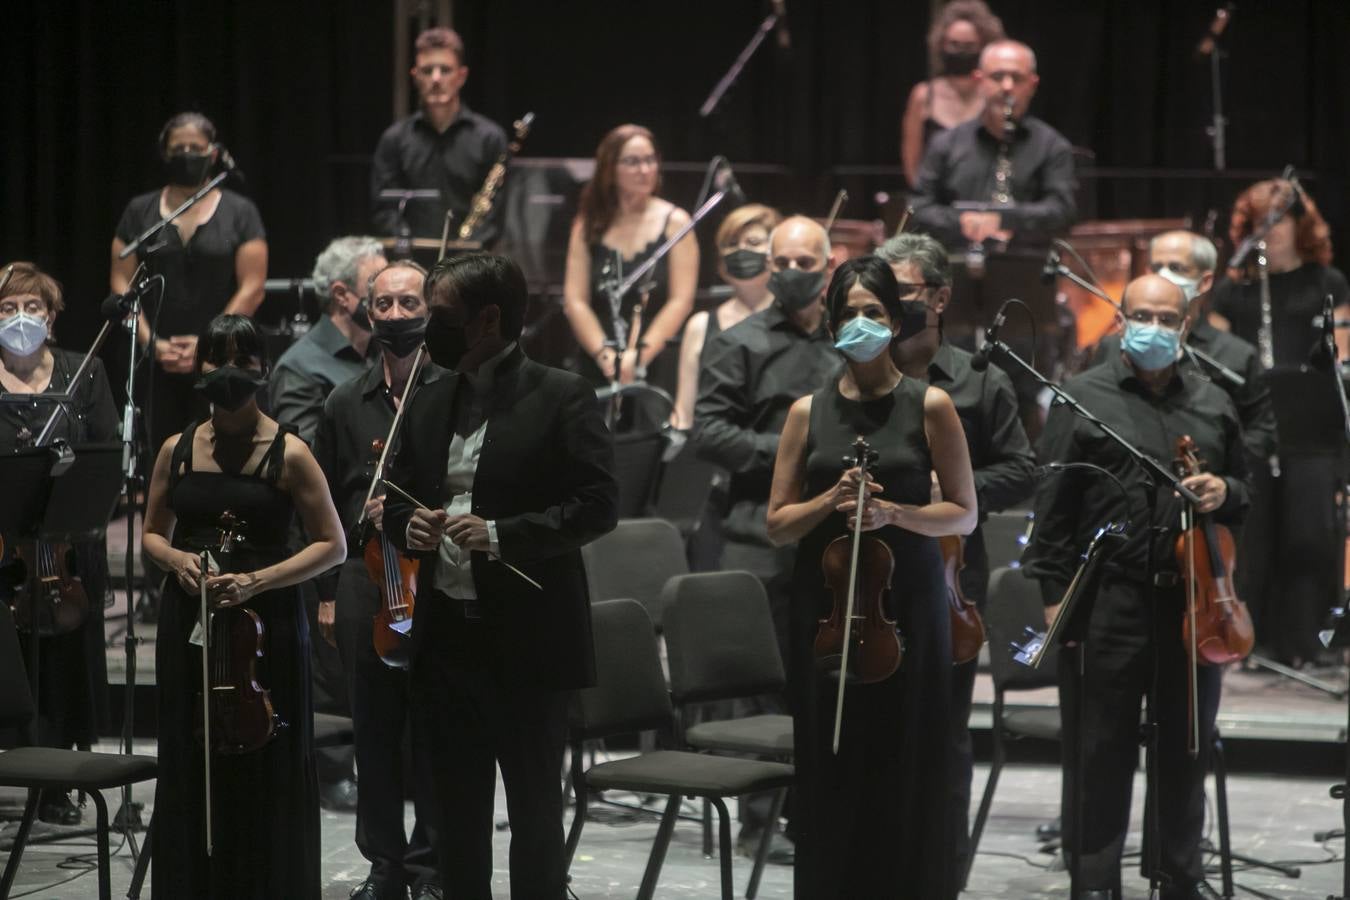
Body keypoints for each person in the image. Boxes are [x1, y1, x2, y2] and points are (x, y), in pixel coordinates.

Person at [383, 253, 617, 899]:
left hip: (529, 643)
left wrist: (501, 535)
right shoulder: (429, 399)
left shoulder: (562, 394)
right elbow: (396, 495)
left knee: (536, 817)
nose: (430, 328)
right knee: (453, 820)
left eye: (441, 316)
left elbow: (598, 507)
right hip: (447, 642)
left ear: (488, 319)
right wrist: (409, 526)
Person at [1023, 274, 1249, 900]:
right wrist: (1055, 610)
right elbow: (1053, 516)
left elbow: (1246, 493)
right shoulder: (1083, 397)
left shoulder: (1212, 403)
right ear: (1121, 320)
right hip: (1110, 601)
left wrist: (1223, 490)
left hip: (1192, 604)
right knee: (1101, 754)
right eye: (1141, 314)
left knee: (1185, 750)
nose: (1153, 326)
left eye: (1166, 317)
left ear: (1187, 322)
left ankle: (1178, 877)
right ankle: (1095, 885)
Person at [766, 255, 977, 898]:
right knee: (831, 765)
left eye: (873, 312)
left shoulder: (931, 404)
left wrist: (895, 512)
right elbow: (778, 523)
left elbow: (963, 515)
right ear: (832, 324)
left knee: (904, 760)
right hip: (827, 608)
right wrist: (831, 500)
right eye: (848, 313)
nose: (860, 323)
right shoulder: (807, 412)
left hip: (907, 604)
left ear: (895, 320)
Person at [141, 314, 345, 898]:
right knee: (193, 751)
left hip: (267, 623)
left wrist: (258, 580)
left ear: (261, 369)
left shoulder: (291, 452)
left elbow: (333, 545)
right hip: (192, 617)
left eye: (242, 360)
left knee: (266, 758)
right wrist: (177, 560)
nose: (227, 372)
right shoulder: (177, 449)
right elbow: (154, 532)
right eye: (216, 359)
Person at [876, 232, 1036, 882]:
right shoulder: (860, 379)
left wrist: (959, 492)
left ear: (940, 297)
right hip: (863, 581)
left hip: (948, 583)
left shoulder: (979, 381)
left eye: (903, 292)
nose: (887, 306)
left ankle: (942, 873)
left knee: (942, 737)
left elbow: (1024, 471)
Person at [692, 215, 841, 855]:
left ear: (829, 267)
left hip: (834, 533)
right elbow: (710, 432)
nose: (792, 272)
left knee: (825, 678)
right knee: (763, 682)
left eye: (807, 263)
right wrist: (789, 451)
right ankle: (756, 824)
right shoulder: (739, 341)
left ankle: (816, 815)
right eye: (783, 261)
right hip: (760, 533)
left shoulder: (851, 341)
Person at [312, 260, 445, 900]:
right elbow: (322, 510)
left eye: (408, 303)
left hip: (437, 581)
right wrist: (328, 594)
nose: (395, 315)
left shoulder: (450, 391)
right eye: (384, 304)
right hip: (366, 579)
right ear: (368, 313)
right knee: (375, 731)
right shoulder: (344, 402)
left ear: (431, 309)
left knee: (434, 730)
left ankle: (429, 865)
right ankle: (384, 865)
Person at [1210, 180, 1350, 666]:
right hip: (1253, 428)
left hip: (1311, 433)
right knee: (1253, 539)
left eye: (1278, 222)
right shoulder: (1233, 291)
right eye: (1257, 225)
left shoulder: (1327, 283)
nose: (1268, 234)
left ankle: (1304, 641)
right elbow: (1217, 360)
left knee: (1308, 537)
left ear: (1299, 225)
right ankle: (1251, 638)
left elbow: (1343, 357)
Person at [0, 262, 117, 824]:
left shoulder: (84, 373)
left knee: (68, 660)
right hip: (2, 551)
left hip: (67, 553)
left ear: (51, 317)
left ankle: (58, 781)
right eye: (7, 308)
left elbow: (105, 454)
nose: (21, 318)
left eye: (32, 308)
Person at [112, 111, 267, 460]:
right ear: (165, 153)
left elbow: (253, 286)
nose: (186, 154)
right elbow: (121, 281)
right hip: (156, 362)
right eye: (177, 147)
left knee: (215, 453)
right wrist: (151, 344)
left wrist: (208, 346)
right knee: (160, 457)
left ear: (213, 153)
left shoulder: (240, 212)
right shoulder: (140, 210)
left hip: (220, 359)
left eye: (194, 147)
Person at [1093, 231, 1276, 467]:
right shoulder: (1113, 346)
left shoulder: (1237, 356)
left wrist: (1219, 465)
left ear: (1205, 281)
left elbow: (1263, 434)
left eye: (1177, 268)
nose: (1164, 275)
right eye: (1157, 266)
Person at [562, 124, 698, 415]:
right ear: (609, 169)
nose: (644, 169)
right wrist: (605, 356)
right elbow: (575, 300)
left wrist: (637, 358)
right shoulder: (588, 223)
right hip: (598, 356)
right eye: (632, 162)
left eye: (650, 160)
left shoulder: (675, 221)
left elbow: (681, 300)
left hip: (654, 359)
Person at [910, 39, 1076, 251]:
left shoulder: (1052, 146)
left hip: (1027, 269)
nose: (1007, 87)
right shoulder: (945, 143)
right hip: (952, 267)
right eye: (997, 77)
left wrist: (1004, 220)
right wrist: (961, 221)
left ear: (1032, 85)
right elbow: (918, 208)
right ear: (979, 81)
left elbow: (1062, 211)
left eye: (1017, 78)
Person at [371, 27, 508, 248]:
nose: (435, 79)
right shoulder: (394, 139)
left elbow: (497, 211)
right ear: (415, 76)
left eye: (445, 70)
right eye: (427, 71)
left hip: (471, 265)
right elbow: (385, 209)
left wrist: (464, 255)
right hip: (410, 263)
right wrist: (406, 246)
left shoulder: (490, 138)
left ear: (461, 76)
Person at [671, 203, 781, 431]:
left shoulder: (793, 317)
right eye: (731, 244)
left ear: (776, 254)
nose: (741, 251)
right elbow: (684, 413)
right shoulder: (700, 325)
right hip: (715, 451)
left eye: (753, 243)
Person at [269, 236, 386, 444]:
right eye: (375, 284)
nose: (386, 293)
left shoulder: (383, 352)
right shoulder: (298, 368)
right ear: (341, 294)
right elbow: (304, 457)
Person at [900, 0, 1005, 188]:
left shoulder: (994, 93)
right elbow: (911, 158)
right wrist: (925, 202)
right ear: (941, 44)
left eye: (969, 45)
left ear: (984, 47)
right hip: (935, 203)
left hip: (983, 198)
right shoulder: (923, 95)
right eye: (954, 44)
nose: (961, 52)